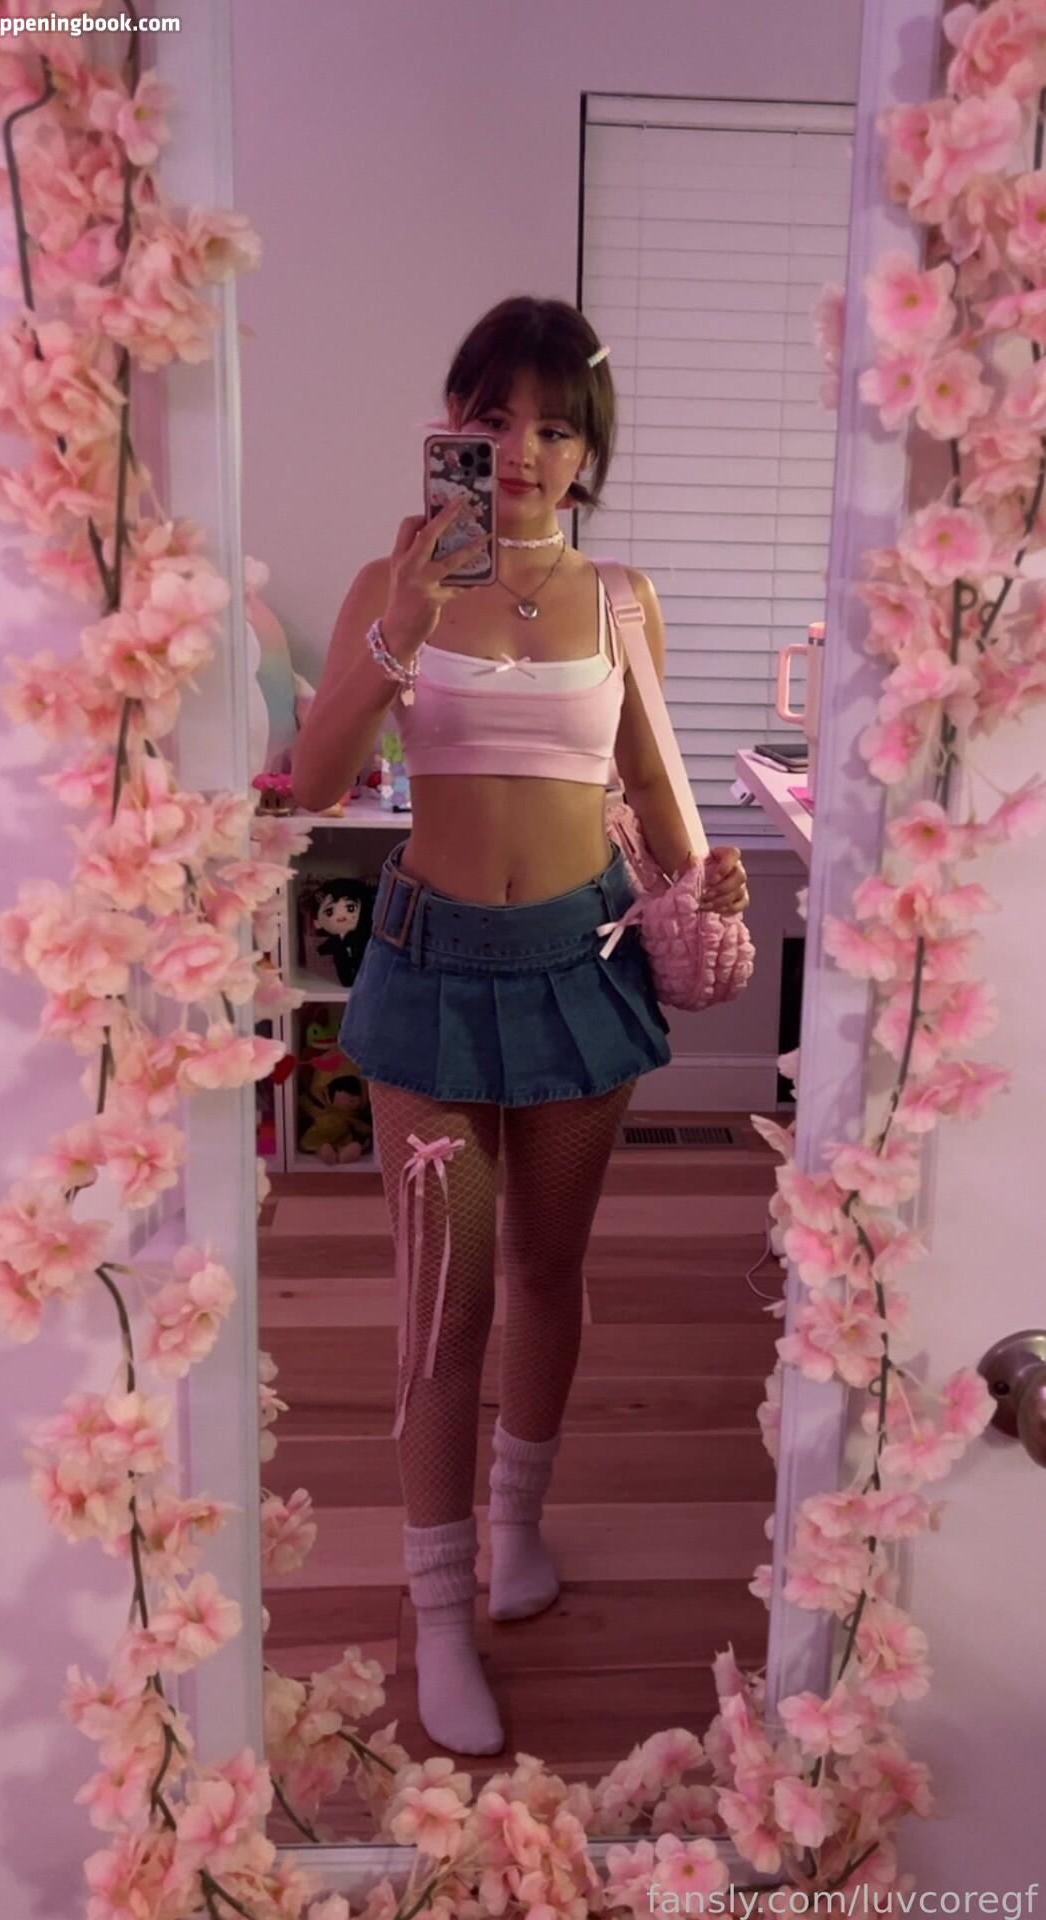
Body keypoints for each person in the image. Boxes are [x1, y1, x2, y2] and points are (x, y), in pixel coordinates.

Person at [291, 295, 749, 1756]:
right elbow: (313, 781)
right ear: (452, 425)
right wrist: (399, 627)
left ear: (589, 448)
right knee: (446, 1302)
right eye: (494, 419)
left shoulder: (622, 598)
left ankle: (516, 1529)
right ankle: (438, 1615)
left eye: (557, 426)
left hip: (578, 965)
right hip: (429, 969)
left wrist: (703, 869)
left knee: (550, 1266)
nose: (525, 451)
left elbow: (656, 787)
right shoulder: (394, 580)